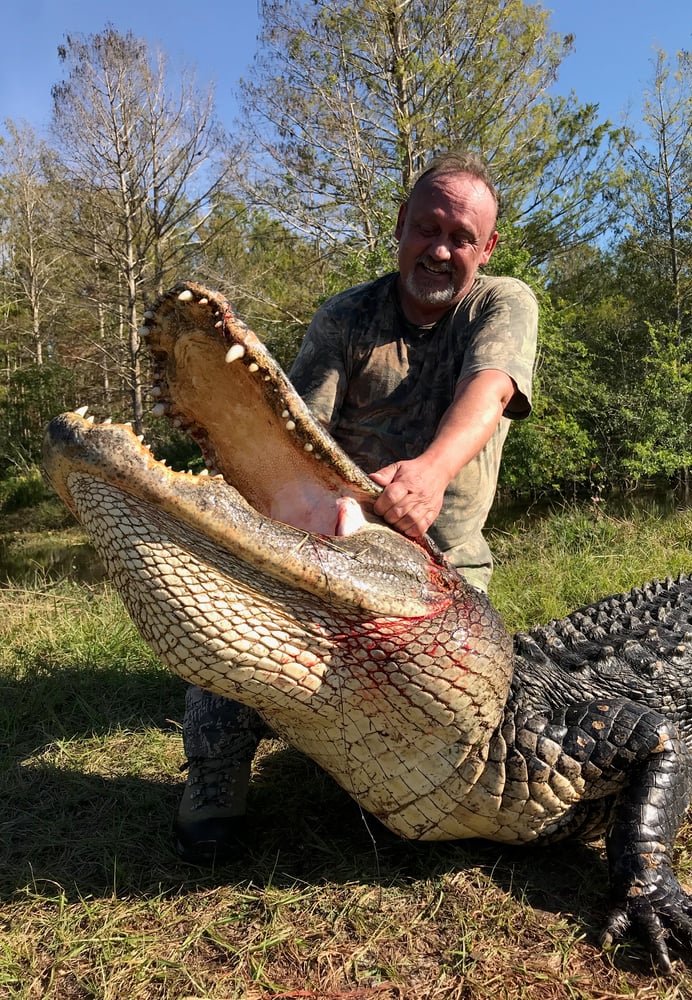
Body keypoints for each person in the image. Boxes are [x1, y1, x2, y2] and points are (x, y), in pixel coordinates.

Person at [175, 149, 539, 864]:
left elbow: (492, 387)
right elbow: (297, 435)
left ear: (486, 248)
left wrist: (431, 473)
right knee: (233, 632)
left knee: (460, 711)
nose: (440, 249)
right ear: (400, 227)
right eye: (427, 228)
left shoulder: (503, 302)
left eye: (461, 237)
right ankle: (215, 777)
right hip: (333, 547)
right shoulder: (345, 317)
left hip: (444, 567)